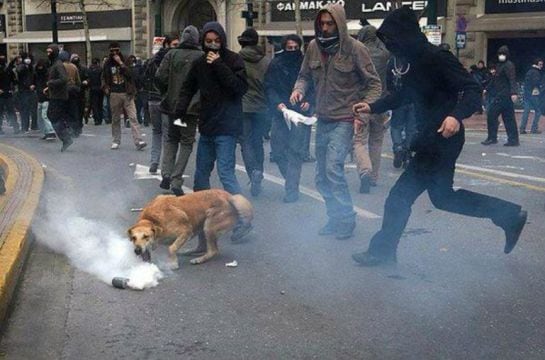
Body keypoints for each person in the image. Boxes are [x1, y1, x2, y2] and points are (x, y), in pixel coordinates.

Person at [350, 7, 527, 266]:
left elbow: (472, 89)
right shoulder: (411, 63)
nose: (390, 46)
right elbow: (405, 95)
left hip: (442, 139)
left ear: (406, 35)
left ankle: (382, 251)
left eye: (392, 40)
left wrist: (455, 115)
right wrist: (372, 107)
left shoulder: (437, 57)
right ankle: (509, 215)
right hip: (430, 138)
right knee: (444, 198)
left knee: (399, 197)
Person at [290, 4, 382, 239]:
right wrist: (299, 90)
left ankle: (346, 218)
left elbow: (374, 84)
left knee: (333, 169)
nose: (325, 28)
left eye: (330, 24)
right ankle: (335, 217)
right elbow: (303, 76)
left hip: (344, 118)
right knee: (321, 175)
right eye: (322, 23)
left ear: (339, 24)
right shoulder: (312, 47)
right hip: (323, 118)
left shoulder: (355, 49)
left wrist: (364, 110)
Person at [174, 21, 248, 195]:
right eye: (208, 41)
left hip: (227, 127)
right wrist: (180, 111)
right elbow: (187, 88)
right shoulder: (199, 63)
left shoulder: (233, 59)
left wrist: (218, 64)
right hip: (207, 125)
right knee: (201, 175)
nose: (213, 45)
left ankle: (240, 214)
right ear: (203, 41)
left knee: (226, 173)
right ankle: (201, 213)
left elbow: (239, 88)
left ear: (222, 41)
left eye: (217, 41)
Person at [156, 26, 203, 196]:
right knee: (186, 142)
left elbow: (160, 76)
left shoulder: (172, 54)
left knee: (171, 139)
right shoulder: (201, 56)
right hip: (191, 109)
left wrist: (167, 93)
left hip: (173, 107)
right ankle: (176, 178)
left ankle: (166, 173)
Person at [265, 34, 311, 203]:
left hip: (300, 114)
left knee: (295, 152)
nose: (292, 51)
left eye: (295, 48)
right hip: (280, 112)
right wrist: (278, 104)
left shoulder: (305, 65)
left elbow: (313, 85)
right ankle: (291, 179)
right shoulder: (276, 64)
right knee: (277, 151)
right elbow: (269, 87)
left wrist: (309, 102)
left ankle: (291, 188)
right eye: (289, 48)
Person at [354, 21, 390, 193]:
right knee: (376, 141)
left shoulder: (357, 53)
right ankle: (374, 176)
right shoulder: (384, 54)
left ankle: (365, 171)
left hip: (361, 102)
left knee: (359, 140)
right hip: (381, 103)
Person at [238, 28, 271, 197]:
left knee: (245, 142)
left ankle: (253, 172)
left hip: (242, 106)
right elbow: (270, 85)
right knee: (257, 142)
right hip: (262, 107)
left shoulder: (237, 59)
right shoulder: (266, 61)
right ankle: (259, 169)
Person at [145, 33, 180, 175]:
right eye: (175, 45)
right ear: (167, 45)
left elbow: (145, 76)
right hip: (165, 100)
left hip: (152, 99)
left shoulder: (153, 60)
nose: (177, 48)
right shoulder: (172, 59)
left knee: (156, 131)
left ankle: (154, 161)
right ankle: (166, 166)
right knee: (167, 134)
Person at [102, 42, 147, 150]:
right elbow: (103, 76)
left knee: (133, 117)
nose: (114, 53)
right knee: (115, 118)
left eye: (116, 50)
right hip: (114, 93)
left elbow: (131, 74)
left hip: (127, 93)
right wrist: (105, 87)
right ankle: (116, 140)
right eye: (112, 51)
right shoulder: (107, 63)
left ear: (120, 50)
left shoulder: (126, 60)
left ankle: (139, 140)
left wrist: (121, 63)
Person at [481, 45, 520, 146]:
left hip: (504, 95)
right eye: (500, 54)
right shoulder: (499, 65)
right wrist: (486, 89)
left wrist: (513, 92)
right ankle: (513, 140)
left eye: (503, 54)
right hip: (502, 95)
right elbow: (494, 80)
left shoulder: (508, 65)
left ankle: (493, 138)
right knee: (508, 118)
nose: (501, 56)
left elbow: (512, 79)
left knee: (492, 115)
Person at [45, 44, 74, 151]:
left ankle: (66, 137)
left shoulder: (58, 65)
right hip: (56, 95)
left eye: (50, 52)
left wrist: (50, 83)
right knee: (55, 116)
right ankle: (66, 135)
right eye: (47, 52)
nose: (48, 54)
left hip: (59, 96)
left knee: (53, 116)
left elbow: (64, 79)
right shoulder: (54, 64)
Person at [519, 58, 543, 134]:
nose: (541, 66)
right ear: (536, 64)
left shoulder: (529, 71)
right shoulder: (536, 72)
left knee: (526, 111)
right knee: (538, 111)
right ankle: (534, 128)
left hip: (527, 93)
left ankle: (522, 128)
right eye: (540, 64)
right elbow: (536, 83)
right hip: (533, 93)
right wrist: (540, 86)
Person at [33, 58, 56, 140]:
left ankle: (51, 131)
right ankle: (46, 132)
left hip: (46, 97)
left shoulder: (48, 75)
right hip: (39, 97)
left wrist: (47, 88)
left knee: (44, 115)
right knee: (40, 116)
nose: (40, 68)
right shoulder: (36, 75)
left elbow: (52, 84)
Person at [61, 51, 82, 137]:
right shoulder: (74, 67)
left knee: (65, 111)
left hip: (64, 90)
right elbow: (78, 81)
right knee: (74, 110)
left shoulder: (60, 67)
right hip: (73, 89)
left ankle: (67, 129)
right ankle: (76, 130)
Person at [15, 53, 36, 133]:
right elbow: (21, 76)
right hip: (24, 91)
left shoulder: (31, 68)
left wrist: (33, 85)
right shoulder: (22, 67)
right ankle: (25, 127)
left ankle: (32, 126)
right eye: (26, 58)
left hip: (31, 90)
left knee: (32, 109)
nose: (28, 60)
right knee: (24, 110)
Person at [0, 54, 18, 135]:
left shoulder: (9, 70)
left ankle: (16, 128)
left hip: (8, 93)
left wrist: (12, 89)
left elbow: (14, 81)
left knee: (11, 111)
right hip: (1, 94)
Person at [88, 58, 104, 125]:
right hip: (100, 89)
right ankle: (100, 118)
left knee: (94, 104)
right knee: (100, 104)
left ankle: (96, 119)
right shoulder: (101, 69)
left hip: (92, 89)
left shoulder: (89, 70)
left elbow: (88, 79)